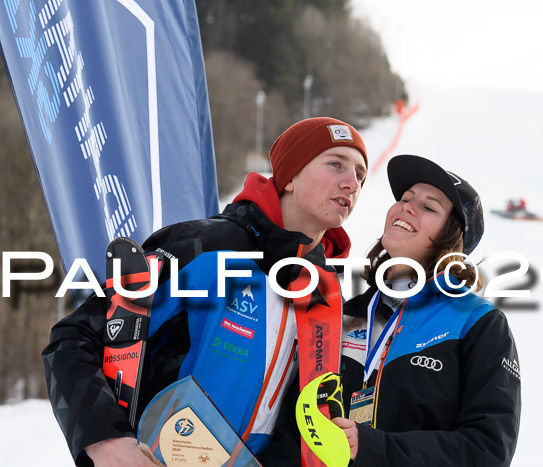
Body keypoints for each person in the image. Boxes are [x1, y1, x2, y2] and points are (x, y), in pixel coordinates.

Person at [41, 117, 368, 466]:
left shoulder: (328, 295)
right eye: (336, 165)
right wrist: (105, 440)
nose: (352, 183)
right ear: (289, 176)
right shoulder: (203, 247)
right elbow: (72, 341)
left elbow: (299, 416)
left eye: (361, 175)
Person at [264, 154, 521, 466]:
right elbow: (293, 420)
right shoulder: (344, 314)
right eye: (405, 198)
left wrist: (374, 447)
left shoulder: (477, 323)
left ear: (452, 238)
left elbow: (489, 450)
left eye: (429, 206)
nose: (406, 207)